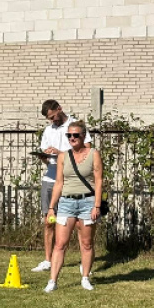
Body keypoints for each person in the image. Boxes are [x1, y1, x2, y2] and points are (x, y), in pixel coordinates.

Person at [32, 100, 91, 272]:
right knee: (48, 221)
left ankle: (84, 263)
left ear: (59, 109)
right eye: (49, 119)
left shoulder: (75, 127)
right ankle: (48, 260)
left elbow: (87, 151)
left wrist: (61, 153)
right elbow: (46, 158)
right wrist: (44, 156)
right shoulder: (48, 130)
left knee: (79, 223)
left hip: (71, 180)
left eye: (53, 116)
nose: (52, 121)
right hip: (51, 178)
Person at [44, 120, 103, 293]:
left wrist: (97, 206)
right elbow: (59, 183)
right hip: (66, 203)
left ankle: (85, 278)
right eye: (69, 135)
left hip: (87, 202)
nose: (72, 138)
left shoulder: (93, 154)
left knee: (86, 243)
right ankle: (52, 281)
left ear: (83, 136)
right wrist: (51, 207)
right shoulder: (63, 156)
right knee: (60, 244)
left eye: (75, 135)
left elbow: (99, 181)